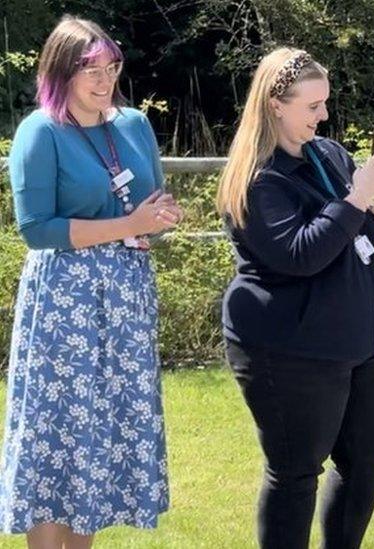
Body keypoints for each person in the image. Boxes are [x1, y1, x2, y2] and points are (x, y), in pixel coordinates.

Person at [0, 15, 180, 548]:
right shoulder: (42, 131)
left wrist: (156, 221)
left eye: (112, 67)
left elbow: (150, 199)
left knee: (99, 434)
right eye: (90, 70)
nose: (105, 81)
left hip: (126, 297)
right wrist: (127, 225)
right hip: (65, 304)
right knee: (58, 433)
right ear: (61, 71)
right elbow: (37, 230)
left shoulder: (134, 124)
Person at [216, 48, 374, 549]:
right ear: (276, 104)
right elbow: (299, 254)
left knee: (367, 462)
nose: (324, 115)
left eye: (325, 103)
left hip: (359, 340)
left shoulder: (330, 154)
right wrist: (355, 200)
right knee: (296, 473)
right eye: (313, 105)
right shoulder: (260, 179)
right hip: (288, 348)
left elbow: (368, 229)